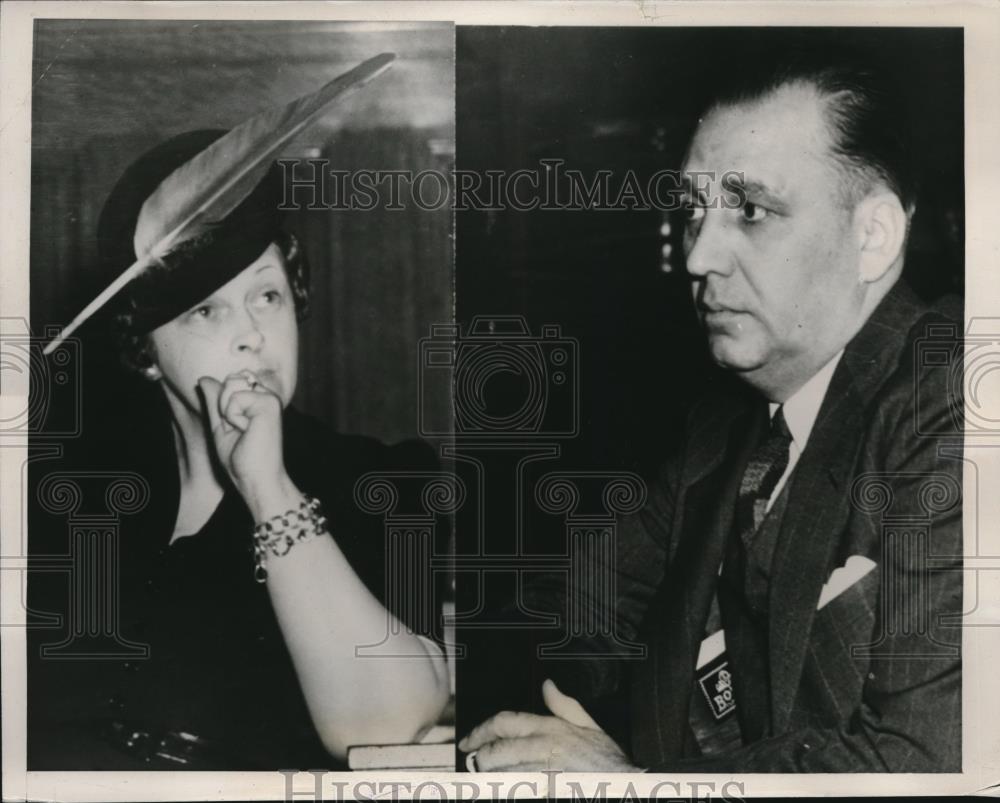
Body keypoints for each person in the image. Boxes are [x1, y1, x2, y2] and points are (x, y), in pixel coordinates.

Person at [460, 43, 962, 772]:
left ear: (874, 235)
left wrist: (627, 785)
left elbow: (928, 764)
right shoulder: (729, 425)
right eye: (695, 211)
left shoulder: (957, 400)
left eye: (751, 210)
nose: (697, 257)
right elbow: (574, 612)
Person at [28, 130, 450, 769]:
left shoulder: (376, 482)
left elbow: (389, 727)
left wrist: (267, 488)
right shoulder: (67, 495)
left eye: (267, 295)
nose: (254, 334)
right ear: (145, 349)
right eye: (206, 311)